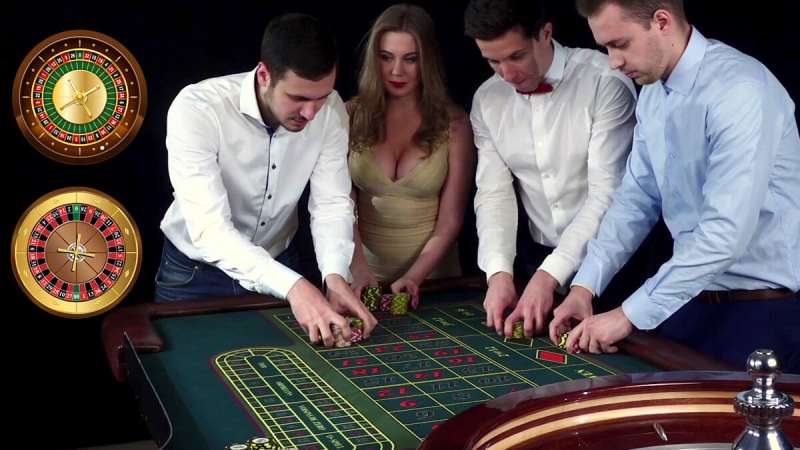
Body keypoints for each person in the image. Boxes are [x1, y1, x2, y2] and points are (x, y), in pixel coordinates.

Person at [551, 0, 800, 373]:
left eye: (620, 44)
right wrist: (584, 287)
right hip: (685, 302)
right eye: (606, 48)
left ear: (662, 21)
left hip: (760, 313)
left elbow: (724, 234)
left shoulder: (742, 89)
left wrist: (627, 315)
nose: (613, 62)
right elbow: (635, 200)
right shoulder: (653, 92)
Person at [155, 13, 376, 347]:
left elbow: (331, 204)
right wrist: (294, 287)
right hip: (194, 276)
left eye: (321, 97)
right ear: (264, 75)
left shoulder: (330, 111)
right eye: (299, 98)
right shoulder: (197, 109)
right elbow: (210, 230)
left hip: (280, 263)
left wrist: (334, 275)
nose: (311, 113)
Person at [464, 0, 637, 338]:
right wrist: (498, 273)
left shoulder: (605, 81)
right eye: (493, 61)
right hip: (538, 259)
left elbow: (607, 195)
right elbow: (494, 193)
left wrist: (549, 275)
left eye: (516, 56)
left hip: (615, 266)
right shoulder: (487, 99)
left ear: (545, 34)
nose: (506, 74)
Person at [347, 4, 475, 308]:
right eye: (386, 57)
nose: (396, 71)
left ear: (427, 61)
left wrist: (414, 277)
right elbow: (339, 206)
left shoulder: (455, 125)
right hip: (361, 279)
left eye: (410, 59)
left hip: (434, 283)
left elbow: (451, 219)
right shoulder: (349, 115)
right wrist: (359, 269)